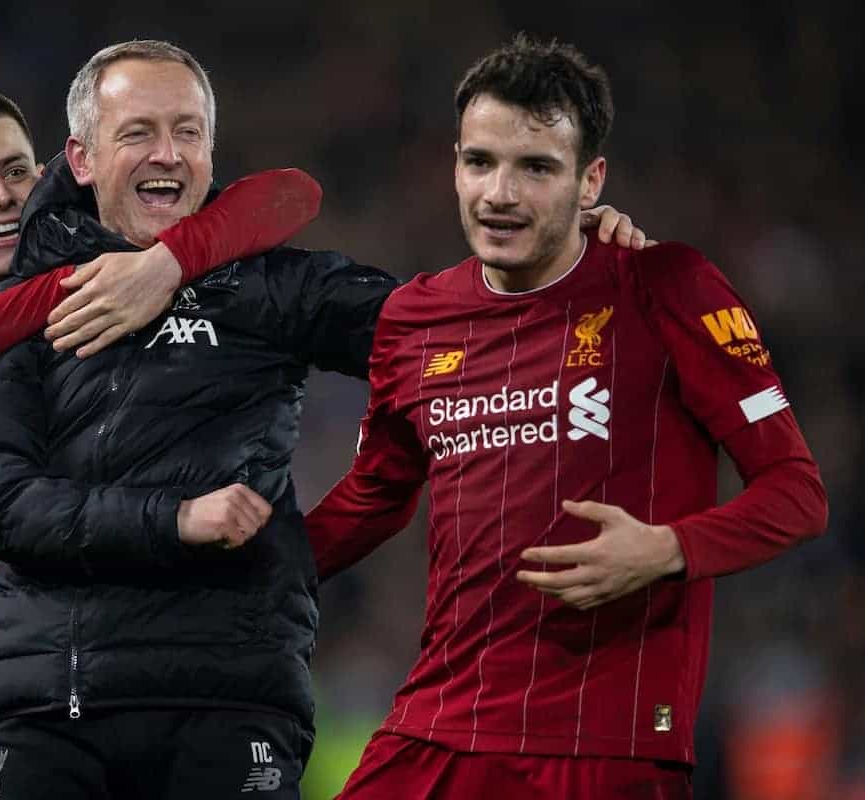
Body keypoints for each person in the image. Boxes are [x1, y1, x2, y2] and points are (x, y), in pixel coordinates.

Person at [0, 40, 649, 800]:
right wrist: (171, 519)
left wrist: (563, 255)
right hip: (54, 705)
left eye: (188, 132)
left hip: (231, 696)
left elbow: (450, 328)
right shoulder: (24, 304)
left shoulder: (266, 287)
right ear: (80, 159)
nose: (168, 154)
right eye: (138, 132)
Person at [305, 34, 829, 799]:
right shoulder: (413, 318)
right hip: (438, 726)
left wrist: (667, 548)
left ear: (592, 181)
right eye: (479, 162)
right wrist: (250, 569)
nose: (499, 195)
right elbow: (373, 496)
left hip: (602, 745)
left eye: (537, 168)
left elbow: (797, 493)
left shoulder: (667, 286)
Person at [0, 86, 326, 800]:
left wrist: (164, 262)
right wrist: (76, 283)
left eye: (17, 172)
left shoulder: (133, 281)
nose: (2, 197)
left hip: (119, 676)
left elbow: (289, 195)